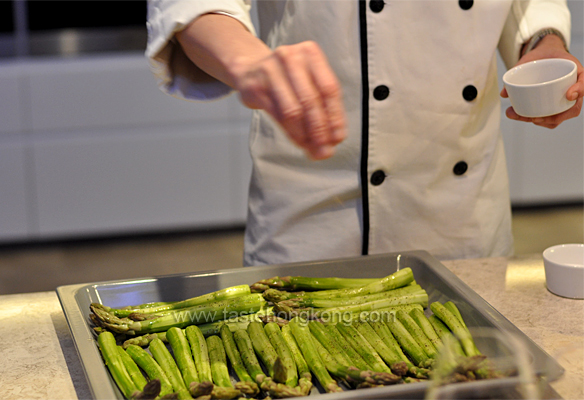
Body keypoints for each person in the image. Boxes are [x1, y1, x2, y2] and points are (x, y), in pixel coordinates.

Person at [146, 0, 583, 266]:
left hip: (461, 215)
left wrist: (543, 41)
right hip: (313, 210)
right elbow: (191, 4)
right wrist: (250, 63)